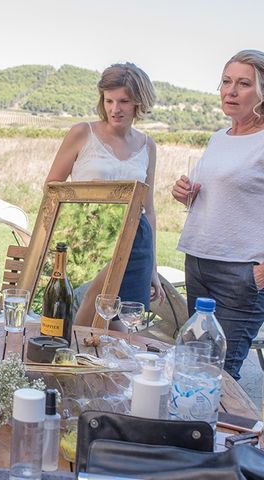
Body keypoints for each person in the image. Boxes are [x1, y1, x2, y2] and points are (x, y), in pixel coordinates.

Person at [45, 62, 165, 328]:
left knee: (120, 323)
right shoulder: (81, 133)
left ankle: (104, 369)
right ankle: (68, 364)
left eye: (124, 101)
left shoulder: (148, 146)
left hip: (136, 241)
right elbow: (52, 189)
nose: (115, 108)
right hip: (90, 240)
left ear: (138, 103)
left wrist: (153, 268)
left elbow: (150, 209)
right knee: (85, 311)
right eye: (109, 100)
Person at [172, 50, 264, 380]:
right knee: (194, 367)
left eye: (243, 83)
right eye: (226, 81)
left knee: (221, 376)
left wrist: (261, 273)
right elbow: (215, 194)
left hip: (241, 274)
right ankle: (194, 431)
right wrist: (185, 193)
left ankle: (226, 433)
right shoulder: (219, 138)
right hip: (199, 261)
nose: (231, 91)